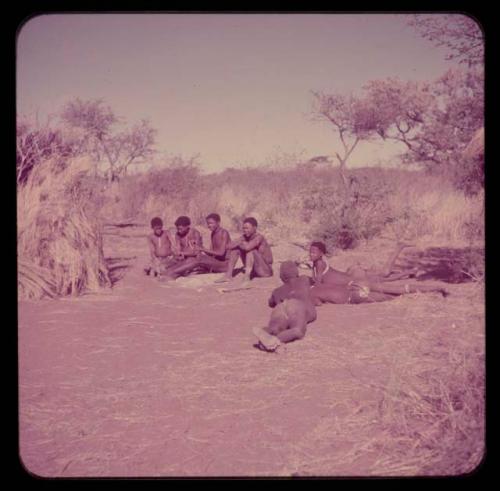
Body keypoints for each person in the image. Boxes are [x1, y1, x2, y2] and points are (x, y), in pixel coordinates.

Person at [252, 261, 317, 351]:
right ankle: (277, 340)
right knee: (297, 330)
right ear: (296, 272)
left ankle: (265, 335)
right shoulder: (304, 279)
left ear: (281, 276)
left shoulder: (277, 291)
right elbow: (315, 280)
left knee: (274, 328)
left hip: (280, 306)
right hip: (297, 305)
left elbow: (271, 302)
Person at [309, 241, 417, 286]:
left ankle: (408, 267)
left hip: (354, 278)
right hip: (352, 275)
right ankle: (407, 271)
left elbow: (318, 283)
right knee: (383, 276)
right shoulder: (315, 264)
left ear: (321, 254)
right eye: (310, 251)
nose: (311, 254)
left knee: (385, 276)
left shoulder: (319, 264)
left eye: (314, 252)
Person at [161, 213, 231, 279]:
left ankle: (172, 273)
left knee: (199, 259)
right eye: (208, 223)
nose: (209, 225)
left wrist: (201, 249)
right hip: (216, 262)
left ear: (218, 222)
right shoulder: (213, 233)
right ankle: (171, 271)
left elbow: (221, 253)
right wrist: (199, 247)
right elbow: (212, 253)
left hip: (225, 265)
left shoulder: (224, 233)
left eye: (211, 223)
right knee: (193, 259)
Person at [216, 217, 273, 284]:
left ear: (254, 228)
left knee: (251, 250)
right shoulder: (244, 237)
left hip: (265, 271)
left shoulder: (259, 237)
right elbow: (228, 246)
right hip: (255, 271)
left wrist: (240, 243)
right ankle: (228, 275)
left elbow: (247, 248)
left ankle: (246, 277)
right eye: (243, 228)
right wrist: (239, 243)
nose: (245, 230)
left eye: (247, 228)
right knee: (236, 249)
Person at [161, 216, 204, 280]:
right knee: (166, 264)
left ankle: (175, 273)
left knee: (184, 264)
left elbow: (196, 251)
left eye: (181, 229)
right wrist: (178, 255)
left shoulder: (195, 233)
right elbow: (178, 249)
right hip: (183, 257)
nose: (179, 231)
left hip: (193, 257)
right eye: (177, 229)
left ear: (187, 226)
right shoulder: (178, 235)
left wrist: (183, 253)